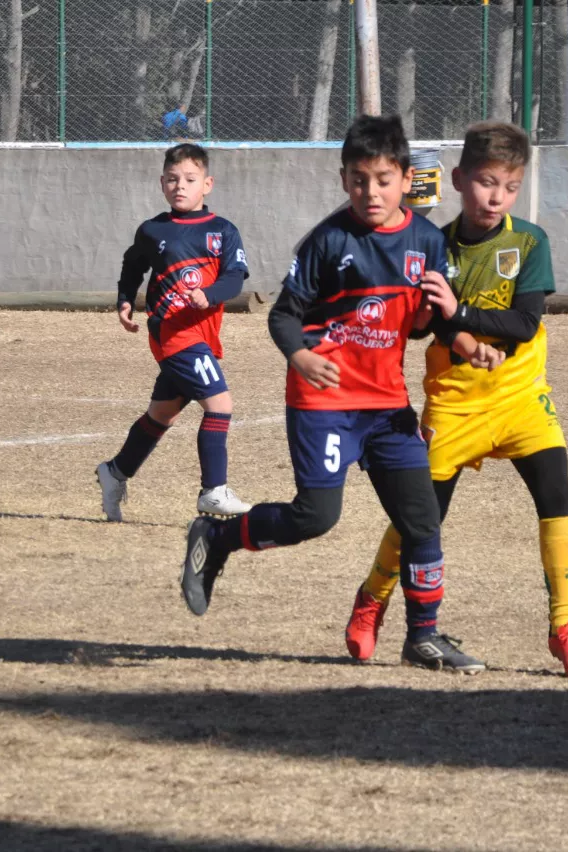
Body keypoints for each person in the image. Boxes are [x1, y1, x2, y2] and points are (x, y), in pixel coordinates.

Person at [178, 115, 500, 673]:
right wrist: (302, 356)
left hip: (386, 408)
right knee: (315, 517)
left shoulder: (427, 241)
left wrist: (468, 343)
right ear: (343, 179)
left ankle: (423, 636)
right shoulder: (329, 240)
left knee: (422, 521)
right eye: (357, 180)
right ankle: (219, 537)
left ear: (404, 178)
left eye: (381, 179)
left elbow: (429, 323)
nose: (369, 192)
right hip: (322, 403)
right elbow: (284, 316)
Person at [343, 121, 568, 678]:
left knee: (557, 498)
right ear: (458, 180)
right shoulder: (432, 245)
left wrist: (456, 313)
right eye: (486, 183)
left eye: (509, 186)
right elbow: (414, 328)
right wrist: (416, 308)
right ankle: (370, 603)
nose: (496, 197)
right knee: (421, 520)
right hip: (454, 408)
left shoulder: (529, 242)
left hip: (522, 400)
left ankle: (566, 627)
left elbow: (525, 323)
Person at [96, 143, 252, 522]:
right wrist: (124, 299)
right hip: (174, 336)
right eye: (171, 179)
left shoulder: (223, 231)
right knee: (220, 406)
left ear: (207, 184)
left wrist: (209, 295)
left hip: (204, 335)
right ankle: (213, 491)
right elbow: (133, 264)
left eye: (189, 179)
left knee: (161, 415)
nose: (179, 186)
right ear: (161, 183)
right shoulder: (153, 230)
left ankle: (114, 472)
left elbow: (235, 279)